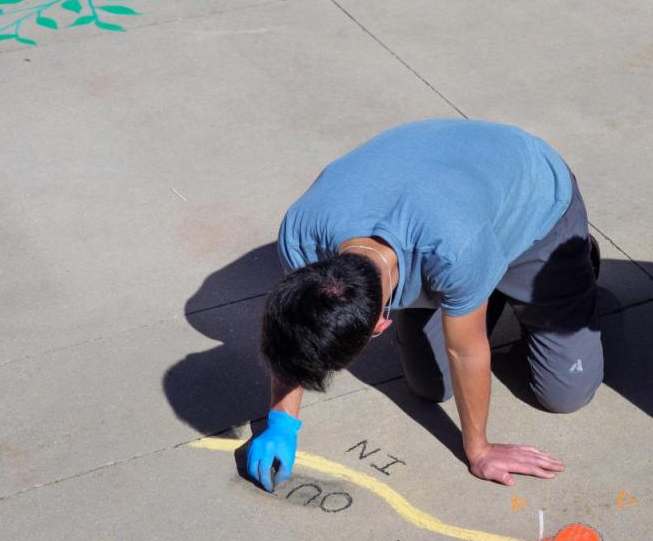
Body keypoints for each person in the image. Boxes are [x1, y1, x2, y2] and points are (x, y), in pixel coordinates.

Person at [246, 119, 603, 492]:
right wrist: (282, 422)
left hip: (532, 205)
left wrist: (479, 450)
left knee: (565, 394)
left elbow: (467, 349)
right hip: (452, 205)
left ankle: (576, 265)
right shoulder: (301, 236)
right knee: (429, 386)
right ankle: (474, 291)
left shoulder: (451, 247)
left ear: (380, 325)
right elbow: (298, 329)